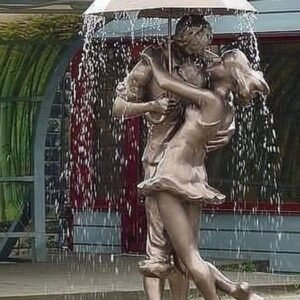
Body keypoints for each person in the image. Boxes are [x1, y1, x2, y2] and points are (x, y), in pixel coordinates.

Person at [113, 15, 256, 300]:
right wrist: (151, 105)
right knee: (158, 247)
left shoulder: (208, 64)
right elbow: (118, 107)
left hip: (192, 167)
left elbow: (226, 98)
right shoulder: (149, 63)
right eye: (204, 38)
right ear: (188, 35)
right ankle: (230, 289)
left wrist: (227, 129)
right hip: (158, 163)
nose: (209, 45)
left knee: (186, 249)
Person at [138, 46, 269, 300]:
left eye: (221, 62)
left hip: (172, 173)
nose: (215, 61)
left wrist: (153, 57)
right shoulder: (223, 105)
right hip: (194, 175)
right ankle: (237, 291)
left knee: (188, 256)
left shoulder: (210, 100)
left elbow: (165, 81)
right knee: (185, 253)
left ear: (229, 74)